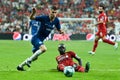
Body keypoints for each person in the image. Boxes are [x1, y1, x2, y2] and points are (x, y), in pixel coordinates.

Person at [17, 6, 64, 71]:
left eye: (55, 12)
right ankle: (29, 61)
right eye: (52, 12)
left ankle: (20, 66)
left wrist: (61, 31)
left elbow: (59, 29)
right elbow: (31, 18)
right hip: (35, 38)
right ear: (49, 11)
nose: (54, 14)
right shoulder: (44, 18)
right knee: (44, 49)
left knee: (35, 58)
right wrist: (33, 12)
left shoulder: (56, 20)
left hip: (41, 40)